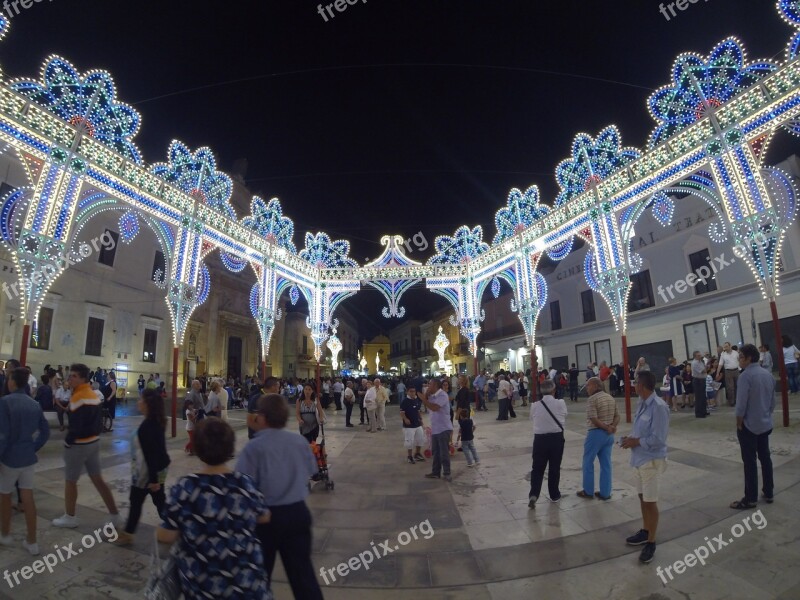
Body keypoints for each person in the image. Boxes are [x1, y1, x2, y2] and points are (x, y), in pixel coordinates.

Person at [157, 418, 273, 599]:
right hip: (248, 583)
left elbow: (165, 535)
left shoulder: (186, 487)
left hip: (203, 584)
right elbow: (264, 517)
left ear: (198, 449)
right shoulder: (244, 482)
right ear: (230, 448)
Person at [237, 394, 323, 600]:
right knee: (303, 575)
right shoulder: (299, 442)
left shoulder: (253, 447)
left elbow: (242, 485)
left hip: (265, 517)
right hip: (297, 513)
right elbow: (312, 470)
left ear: (263, 417)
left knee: (260, 574)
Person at [52, 363, 122, 528]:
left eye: (74, 376)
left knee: (70, 480)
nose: (70, 378)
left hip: (78, 445)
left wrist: (68, 441)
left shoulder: (78, 397)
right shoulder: (93, 394)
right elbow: (98, 423)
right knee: (98, 479)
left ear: (83, 378)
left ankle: (69, 516)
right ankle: (115, 515)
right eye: (70, 375)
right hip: (93, 443)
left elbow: (76, 425)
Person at [621, 370, 669, 564]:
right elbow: (640, 430)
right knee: (642, 497)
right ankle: (646, 529)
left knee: (650, 501)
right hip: (638, 459)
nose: (633, 385)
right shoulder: (642, 403)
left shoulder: (659, 407)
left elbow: (658, 439)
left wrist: (636, 442)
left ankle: (651, 541)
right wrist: (629, 439)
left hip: (651, 460)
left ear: (642, 385)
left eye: (635, 382)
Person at [0, 367, 50, 555]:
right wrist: (33, 447)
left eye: (9, 378)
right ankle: (32, 541)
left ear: (13, 381)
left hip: (10, 458)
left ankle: (4, 534)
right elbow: (45, 432)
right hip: (28, 458)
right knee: (28, 497)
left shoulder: (5, 402)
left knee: (5, 495)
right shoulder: (33, 404)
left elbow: (3, 435)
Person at [116, 389, 171, 544]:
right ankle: (174, 525)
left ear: (148, 404)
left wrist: (153, 480)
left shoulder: (148, 426)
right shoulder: (155, 421)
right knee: (158, 501)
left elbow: (151, 454)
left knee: (138, 500)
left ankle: (128, 533)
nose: (138, 402)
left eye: (141, 400)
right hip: (153, 470)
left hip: (146, 472)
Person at [731, 344, 775, 509]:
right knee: (765, 458)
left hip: (749, 426)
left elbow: (741, 404)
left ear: (749, 358)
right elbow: (772, 403)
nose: (739, 360)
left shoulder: (746, 376)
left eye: (741, 357)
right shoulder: (767, 374)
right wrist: (765, 415)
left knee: (749, 462)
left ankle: (750, 498)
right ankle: (769, 492)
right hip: (765, 423)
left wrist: (739, 422)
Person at [577, 377, 618, 501]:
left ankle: (588, 491)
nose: (587, 389)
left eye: (588, 386)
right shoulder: (610, 397)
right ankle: (605, 493)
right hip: (608, 436)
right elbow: (617, 416)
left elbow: (593, 418)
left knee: (588, 462)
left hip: (595, 434)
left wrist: (606, 427)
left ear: (595, 386)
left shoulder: (592, 399)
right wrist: (612, 427)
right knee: (606, 464)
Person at [528, 379, 567, 508]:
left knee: (537, 468)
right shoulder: (560, 403)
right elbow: (564, 415)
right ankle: (554, 495)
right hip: (556, 438)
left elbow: (532, 418)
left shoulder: (534, 405)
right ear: (554, 390)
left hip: (539, 440)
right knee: (554, 467)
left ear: (540, 392)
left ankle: (534, 494)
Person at [421, 378, 452, 481]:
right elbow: (427, 403)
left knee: (444, 452)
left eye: (429, 384)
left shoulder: (442, 395)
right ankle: (436, 472)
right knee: (436, 452)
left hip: (444, 428)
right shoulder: (432, 396)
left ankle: (447, 473)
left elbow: (434, 408)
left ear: (435, 386)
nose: (428, 386)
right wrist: (426, 395)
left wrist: (424, 399)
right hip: (435, 428)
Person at [400, 386, 426, 464]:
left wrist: (420, 419)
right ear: (407, 392)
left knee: (420, 439)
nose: (412, 393)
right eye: (411, 391)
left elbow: (418, 411)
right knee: (409, 441)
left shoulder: (416, 400)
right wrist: (405, 419)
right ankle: (409, 456)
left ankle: (417, 454)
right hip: (409, 426)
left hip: (417, 424)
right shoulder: (404, 401)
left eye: (414, 391)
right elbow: (402, 412)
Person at [717, 342, 740, 406]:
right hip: (728, 371)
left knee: (737, 386)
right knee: (730, 387)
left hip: (736, 370)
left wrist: (740, 369)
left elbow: (739, 360)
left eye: (726, 346)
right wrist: (717, 372)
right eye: (724, 347)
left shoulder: (735, 353)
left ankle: (737, 400)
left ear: (730, 346)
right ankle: (732, 401)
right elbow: (720, 364)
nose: (725, 348)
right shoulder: (723, 354)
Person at [691, 351, 707, 419]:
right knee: (699, 397)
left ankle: (704, 411)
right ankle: (699, 413)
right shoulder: (695, 363)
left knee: (703, 397)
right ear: (695, 356)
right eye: (698, 355)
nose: (700, 356)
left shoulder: (701, 362)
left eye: (700, 355)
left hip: (702, 380)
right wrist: (708, 367)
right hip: (698, 381)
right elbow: (703, 371)